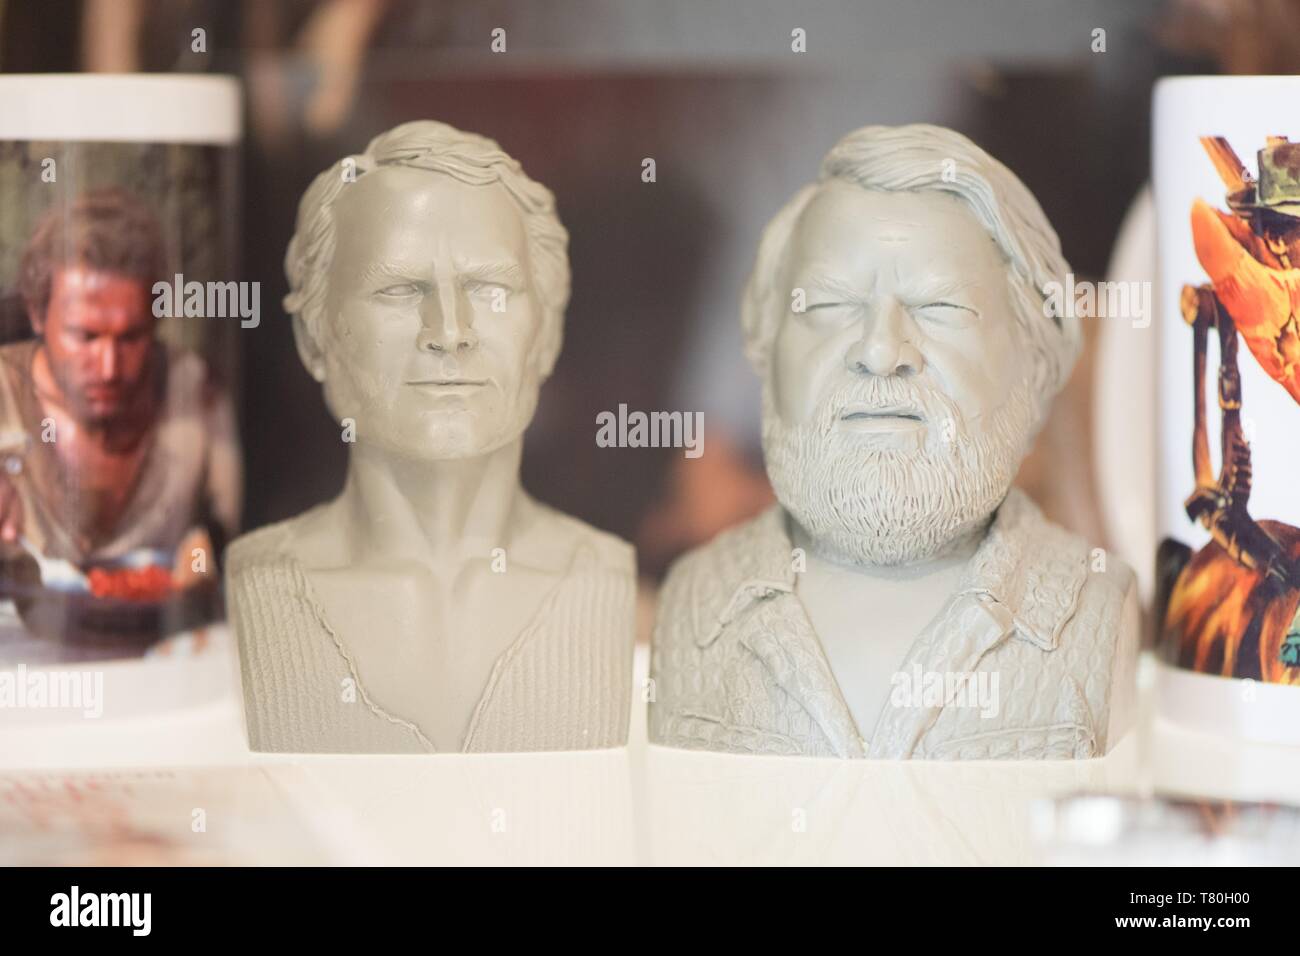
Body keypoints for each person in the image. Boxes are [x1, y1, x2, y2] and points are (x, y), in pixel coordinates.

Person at [649, 125, 1139, 760]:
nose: (880, 352)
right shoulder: (692, 607)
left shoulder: (1093, 613)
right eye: (827, 305)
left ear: (1035, 362)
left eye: (940, 307)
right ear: (764, 351)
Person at [226, 121, 635, 754]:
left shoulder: (613, 584)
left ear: (547, 334)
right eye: (398, 289)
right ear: (315, 339)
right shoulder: (253, 588)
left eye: (491, 290)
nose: (449, 330)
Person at [1, 187, 240, 574]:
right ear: (37, 314)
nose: (110, 367)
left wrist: (208, 559)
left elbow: (239, 540)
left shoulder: (195, 392)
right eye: (85, 337)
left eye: (131, 337)